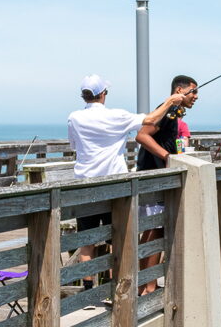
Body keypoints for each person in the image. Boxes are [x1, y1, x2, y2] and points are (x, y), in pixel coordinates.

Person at [67, 74, 185, 296]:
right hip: (115, 186)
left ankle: (89, 292)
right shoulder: (116, 116)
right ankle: (116, 293)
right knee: (118, 240)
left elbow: (73, 144)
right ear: (103, 94)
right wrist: (170, 102)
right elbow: (150, 120)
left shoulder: (74, 118)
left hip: (83, 186)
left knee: (87, 242)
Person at [134, 75, 199, 294]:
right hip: (154, 175)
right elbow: (142, 136)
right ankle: (149, 286)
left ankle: (144, 284)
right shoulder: (168, 111)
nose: (196, 97)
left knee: (153, 230)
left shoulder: (172, 112)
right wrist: (167, 156)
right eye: (193, 92)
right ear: (179, 90)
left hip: (155, 174)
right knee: (157, 230)